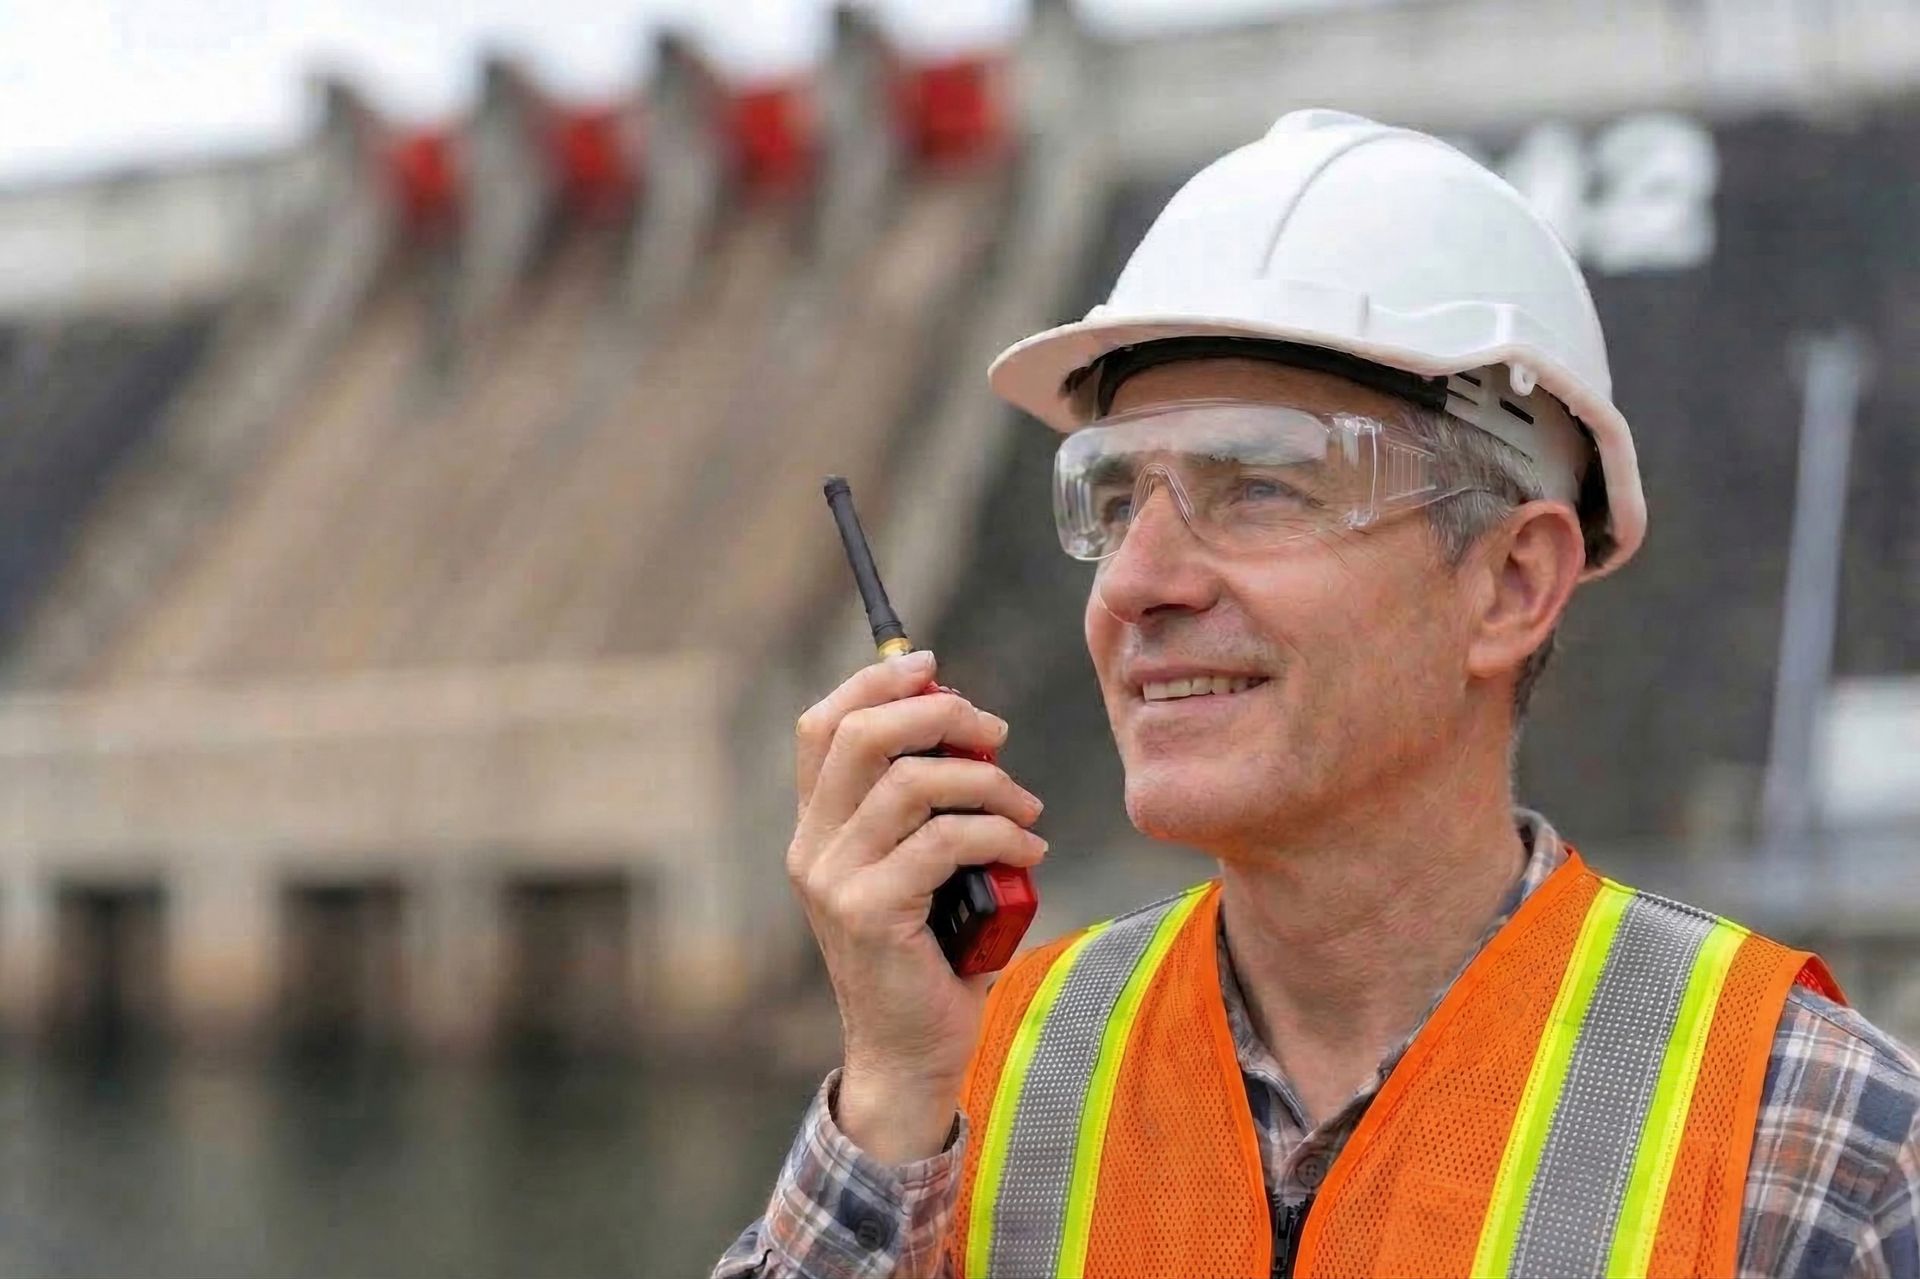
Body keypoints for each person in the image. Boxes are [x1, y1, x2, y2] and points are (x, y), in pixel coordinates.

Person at [714, 109, 1919, 1278]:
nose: (1136, 581)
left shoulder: (1807, 1140)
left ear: (1510, 582)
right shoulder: (972, 1078)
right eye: (1117, 497)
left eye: (1260, 485)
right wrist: (889, 1102)